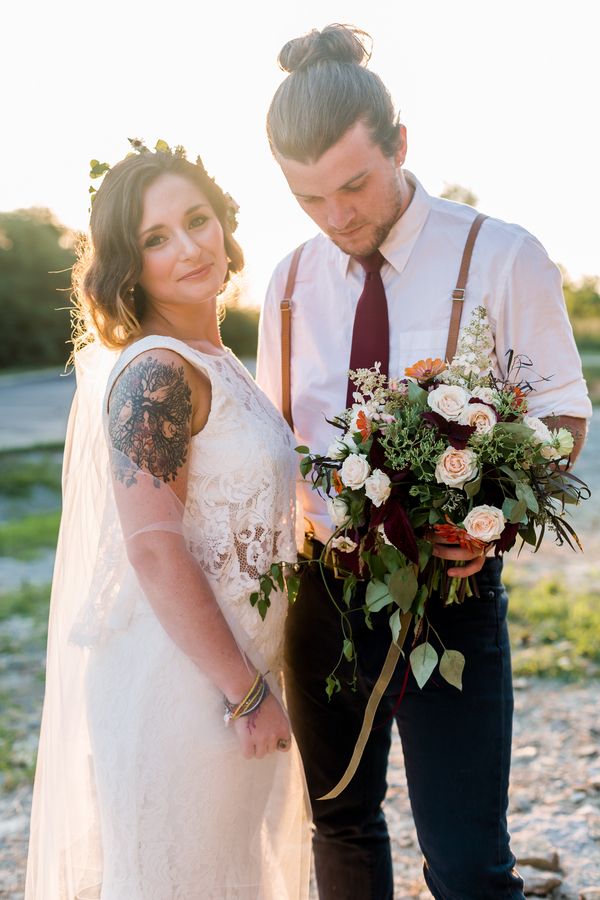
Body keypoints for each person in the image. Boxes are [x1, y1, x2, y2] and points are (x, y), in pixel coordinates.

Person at [257, 24, 592, 900]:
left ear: (400, 144)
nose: (337, 218)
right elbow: (276, 441)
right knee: (341, 824)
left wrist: (492, 516)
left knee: (470, 866)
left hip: (450, 593)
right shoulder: (287, 282)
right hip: (322, 594)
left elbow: (562, 413)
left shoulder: (504, 255)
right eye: (308, 199)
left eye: (355, 185)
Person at [25, 141, 311, 899]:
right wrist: (245, 694)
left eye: (198, 220)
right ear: (128, 263)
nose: (189, 246)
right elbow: (153, 551)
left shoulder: (218, 359)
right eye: (157, 238)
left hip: (236, 674)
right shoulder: (156, 372)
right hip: (186, 688)